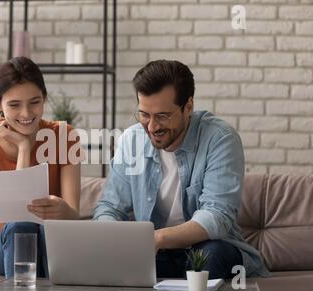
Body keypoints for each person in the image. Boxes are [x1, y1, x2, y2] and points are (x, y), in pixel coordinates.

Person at [93, 60, 270, 279]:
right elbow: (110, 207)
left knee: (210, 255)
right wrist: (114, 239)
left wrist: (156, 239)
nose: (151, 127)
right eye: (144, 114)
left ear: (188, 107)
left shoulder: (220, 138)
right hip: (154, 253)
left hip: (207, 249)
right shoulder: (132, 140)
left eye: (162, 116)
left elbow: (217, 216)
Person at [0, 57, 81, 278]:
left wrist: (64, 210)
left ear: (45, 99)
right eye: (14, 105)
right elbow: (16, 213)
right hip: (4, 248)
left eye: (34, 102)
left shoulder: (64, 136)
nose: (27, 114)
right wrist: (23, 147)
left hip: (52, 242)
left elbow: (73, 215)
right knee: (21, 226)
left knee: (48, 231)